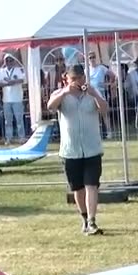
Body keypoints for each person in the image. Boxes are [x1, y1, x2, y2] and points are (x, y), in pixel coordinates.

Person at [48, 64, 108, 235]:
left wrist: (94, 94)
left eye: (80, 78)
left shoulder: (92, 93)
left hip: (92, 148)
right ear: (67, 79)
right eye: (73, 79)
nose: (77, 82)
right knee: (78, 188)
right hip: (70, 150)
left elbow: (104, 110)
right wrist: (64, 92)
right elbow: (50, 107)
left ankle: (92, 221)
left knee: (92, 185)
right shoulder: (61, 94)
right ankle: (84, 217)